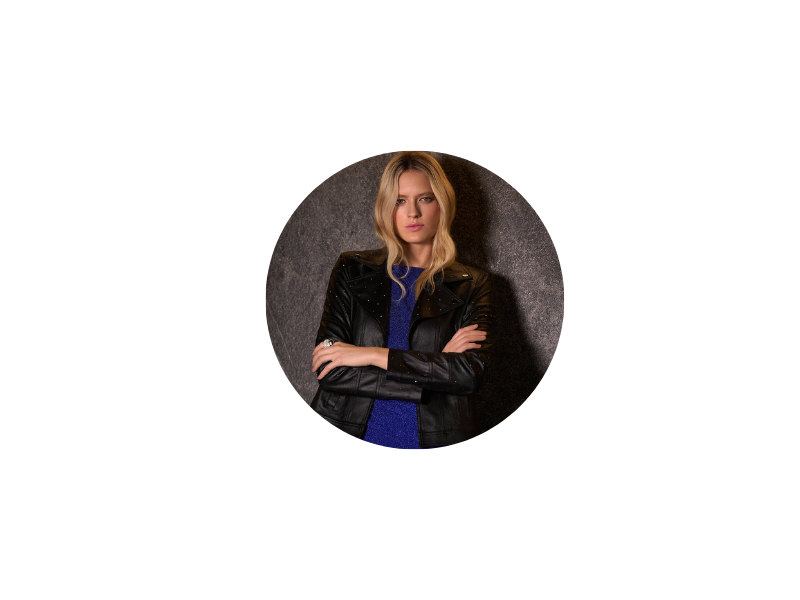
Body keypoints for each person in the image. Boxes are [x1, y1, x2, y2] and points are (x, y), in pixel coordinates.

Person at [309, 150, 492, 449]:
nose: (413, 213)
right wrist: (434, 372)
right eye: (400, 200)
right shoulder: (352, 269)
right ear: (386, 207)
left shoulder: (471, 283)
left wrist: (370, 354)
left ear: (442, 204)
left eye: (425, 198)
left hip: (439, 439)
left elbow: (469, 374)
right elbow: (329, 368)